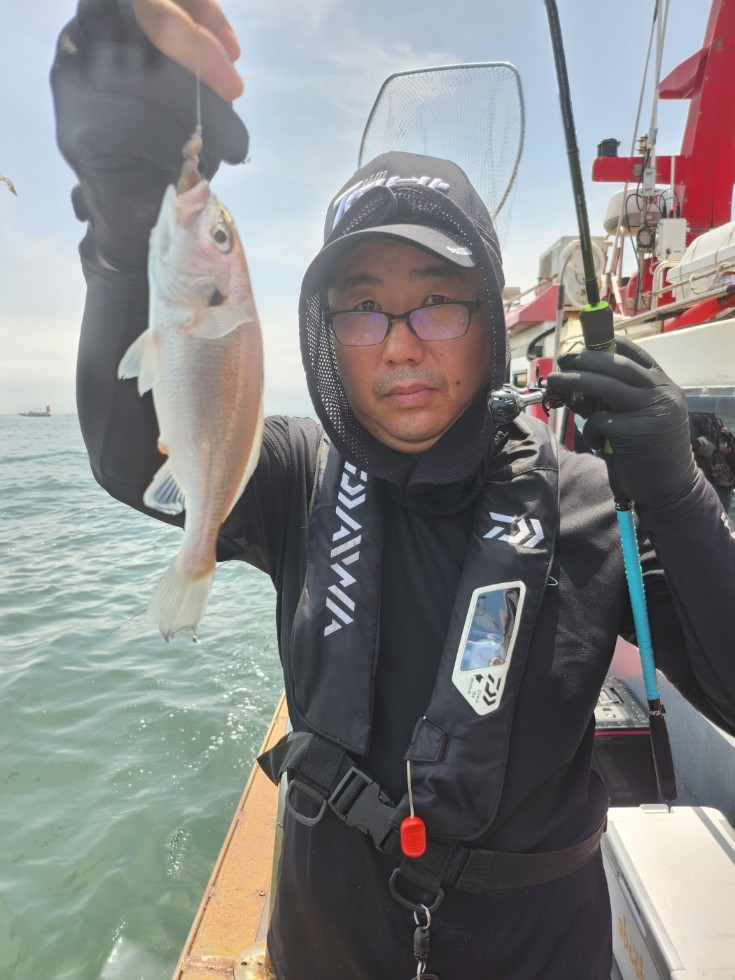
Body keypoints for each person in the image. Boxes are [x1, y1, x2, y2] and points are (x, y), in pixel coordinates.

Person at [51, 3, 735, 977]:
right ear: (324, 333)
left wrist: (677, 492)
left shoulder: (589, 499)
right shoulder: (292, 475)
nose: (402, 341)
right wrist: (122, 212)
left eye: (438, 298)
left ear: (490, 314)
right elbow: (130, 455)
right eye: (363, 306)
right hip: (323, 947)